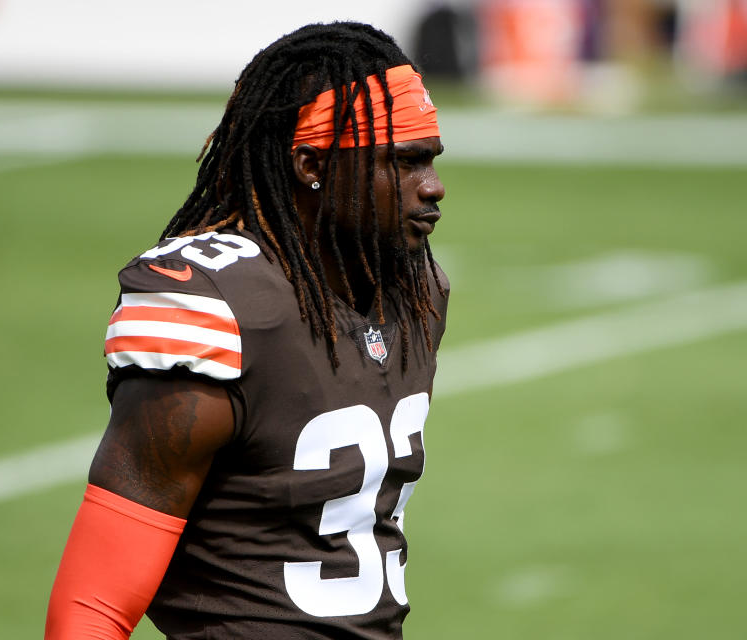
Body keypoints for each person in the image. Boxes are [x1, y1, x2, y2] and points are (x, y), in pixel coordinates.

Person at [45, 21, 449, 640]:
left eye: (430, 159)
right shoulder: (215, 309)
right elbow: (96, 601)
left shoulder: (414, 289)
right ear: (312, 163)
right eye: (403, 162)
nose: (433, 186)